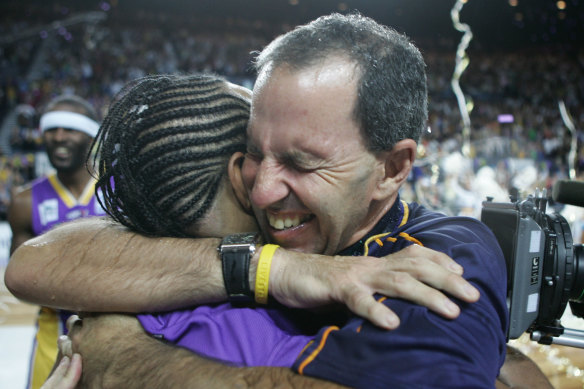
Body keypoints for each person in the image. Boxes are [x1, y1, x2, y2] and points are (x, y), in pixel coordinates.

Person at [6, 13, 548, 388]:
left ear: (393, 167)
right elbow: (36, 262)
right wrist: (276, 269)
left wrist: (120, 355)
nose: (263, 189)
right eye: (252, 153)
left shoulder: (445, 255)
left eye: (301, 161)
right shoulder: (236, 225)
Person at [6, 94, 106, 389]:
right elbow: (22, 282)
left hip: (114, 332)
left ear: (90, 135)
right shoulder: (24, 201)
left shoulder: (120, 191)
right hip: (53, 337)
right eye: (50, 129)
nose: (58, 137)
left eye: (69, 128)